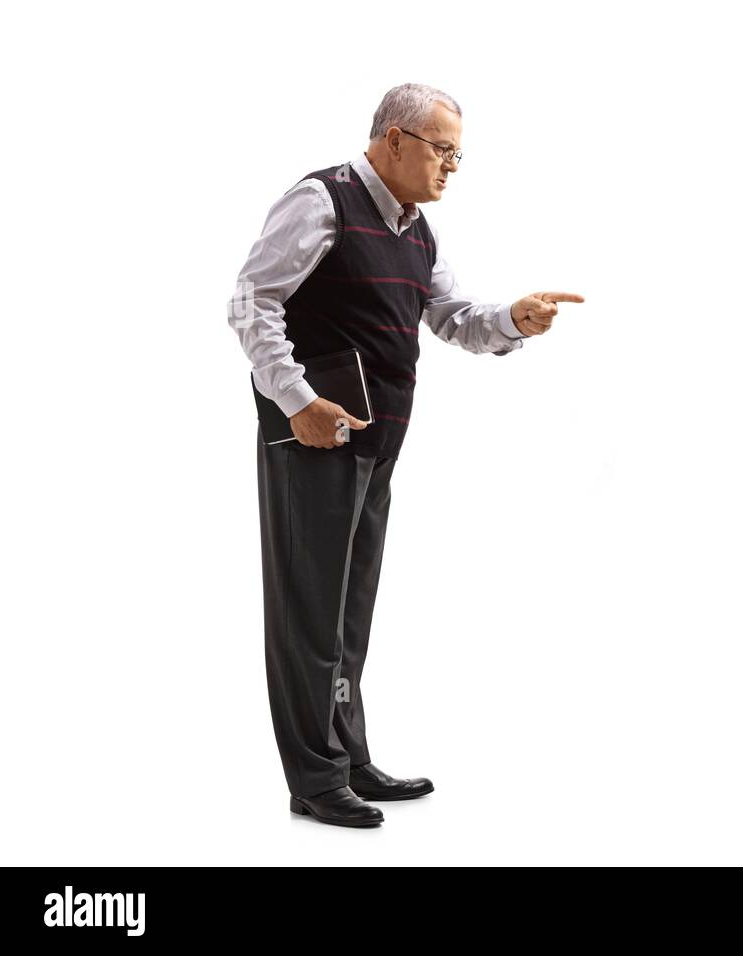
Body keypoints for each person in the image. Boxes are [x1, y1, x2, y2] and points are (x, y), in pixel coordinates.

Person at [227, 82, 584, 827]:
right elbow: (251, 301)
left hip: (375, 448)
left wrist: (514, 318)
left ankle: (349, 758)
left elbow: (453, 317)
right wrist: (296, 400)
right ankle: (315, 780)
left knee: (347, 615)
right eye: (444, 150)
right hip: (314, 442)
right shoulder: (322, 200)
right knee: (308, 615)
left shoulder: (416, 230)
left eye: (460, 154)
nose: (453, 166)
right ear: (395, 140)